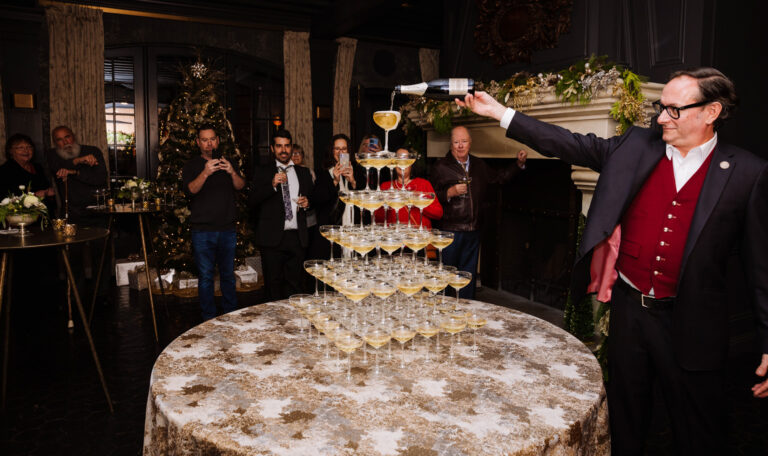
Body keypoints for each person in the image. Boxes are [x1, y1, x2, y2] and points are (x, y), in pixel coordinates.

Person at [457, 68, 768, 455]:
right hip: (631, 312)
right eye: (661, 107)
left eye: (674, 110)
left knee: (698, 429)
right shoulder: (637, 147)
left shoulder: (747, 173)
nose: (660, 118)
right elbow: (567, 143)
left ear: (711, 112)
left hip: (693, 323)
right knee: (626, 419)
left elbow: (761, 267)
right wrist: (501, 113)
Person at [430, 126, 526, 299]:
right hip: (449, 231)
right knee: (444, 276)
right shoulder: (440, 167)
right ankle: (441, 312)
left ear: (470, 143)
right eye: (456, 142)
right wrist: (450, 192)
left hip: (473, 230)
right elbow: (430, 197)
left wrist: (518, 165)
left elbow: (499, 178)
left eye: (464, 141)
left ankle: (465, 311)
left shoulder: (479, 165)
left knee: (467, 277)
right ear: (451, 144)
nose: (460, 145)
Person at [182, 124, 245, 321]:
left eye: (212, 139)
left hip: (227, 229)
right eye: (204, 140)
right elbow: (190, 190)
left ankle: (230, 314)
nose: (209, 143)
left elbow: (241, 186)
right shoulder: (192, 165)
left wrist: (232, 172)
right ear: (198, 142)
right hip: (203, 231)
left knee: (227, 275)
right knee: (206, 277)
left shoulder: (229, 161)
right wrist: (206, 173)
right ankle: (208, 318)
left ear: (217, 140)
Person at [250, 129, 313, 301]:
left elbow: (312, 200)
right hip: (271, 239)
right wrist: (271, 185)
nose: (283, 150)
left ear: (291, 147)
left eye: (286, 146)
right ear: (272, 148)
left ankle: (294, 322)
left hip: (297, 238)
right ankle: (274, 324)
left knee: (296, 285)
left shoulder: (303, 173)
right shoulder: (262, 171)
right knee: (273, 286)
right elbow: (252, 200)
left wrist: (308, 204)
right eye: (279, 146)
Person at [310, 134, 365, 259]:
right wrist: (334, 181)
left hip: (354, 231)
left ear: (349, 151)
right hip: (331, 233)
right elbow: (317, 200)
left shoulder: (358, 172)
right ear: (332, 151)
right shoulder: (322, 173)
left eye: (344, 149)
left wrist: (353, 181)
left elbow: (365, 202)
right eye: (337, 149)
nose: (340, 152)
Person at [47, 125, 107, 225]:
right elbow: (59, 169)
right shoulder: (52, 155)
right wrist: (79, 160)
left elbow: (100, 178)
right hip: (71, 214)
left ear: (73, 136)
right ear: (55, 143)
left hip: (96, 211)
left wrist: (75, 173)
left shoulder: (92, 151)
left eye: (67, 137)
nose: (65, 142)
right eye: (59, 140)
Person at [374, 147, 443, 229]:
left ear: (411, 163)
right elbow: (377, 218)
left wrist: (417, 201)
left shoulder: (423, 184)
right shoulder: (385, 186)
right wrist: (386, 204)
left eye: (405, 159)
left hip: (419, 238)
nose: (402, 163)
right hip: (395, 237)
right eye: (398, 159)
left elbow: (438, 213)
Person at [0, 134, 56, 208]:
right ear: (11, 151)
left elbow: (46, 189)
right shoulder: (4, 171)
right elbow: (5, 200)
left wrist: (49, 193)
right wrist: (34, 196)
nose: (26, 150)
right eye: (20, 147)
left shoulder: (37, 167)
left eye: (29, 147)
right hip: (19, 217)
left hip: (42, 215)